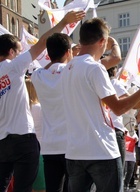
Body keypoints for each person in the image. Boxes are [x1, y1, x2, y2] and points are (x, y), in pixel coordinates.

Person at [60, 18, 140, 192]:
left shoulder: (67, 68)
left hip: (75, 151)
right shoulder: (95, 68)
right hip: (100, 149)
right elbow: (118, 108)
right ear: (102, 42)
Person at [0, 11, 84, 192]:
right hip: (22, 138)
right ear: (11, 52)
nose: (21, 55)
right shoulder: (12, 66)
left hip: (1, 141)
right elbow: (42, 43)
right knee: (23, 188)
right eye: (19, 51)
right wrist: (64, 22)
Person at [31, 33, 74, 192]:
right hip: (71, 145)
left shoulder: (38, 75)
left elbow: (45, 67)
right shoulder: (71, 72)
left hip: (49, 146)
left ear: (48, 55)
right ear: (68, 52)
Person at [25, 79, 45, 192]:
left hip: (25, 152)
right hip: (42, 151)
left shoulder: (22, 110)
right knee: (41, 188)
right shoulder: (40, 108)